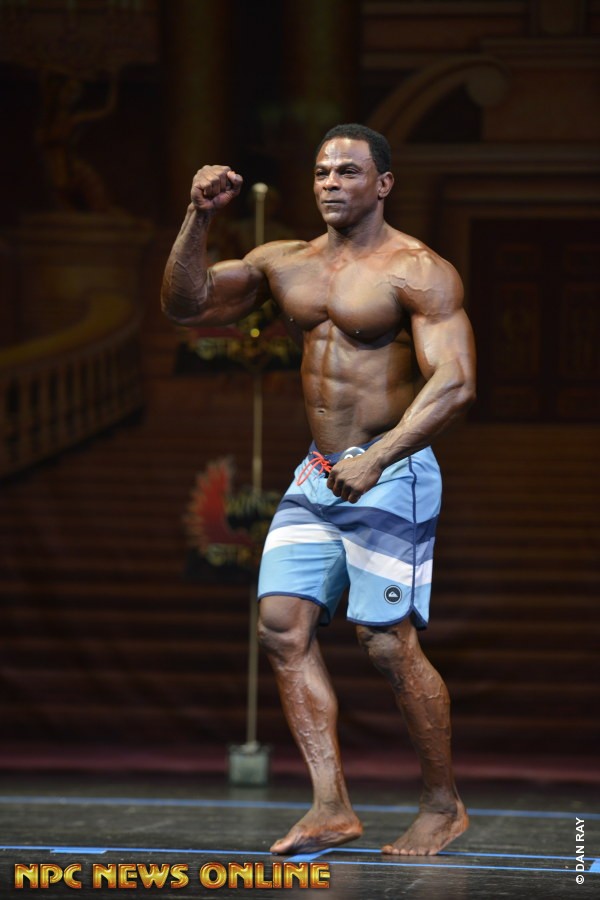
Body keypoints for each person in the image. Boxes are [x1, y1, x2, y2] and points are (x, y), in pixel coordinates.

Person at [161, 123, 476, 857]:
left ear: (383, 184)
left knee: (386, 644)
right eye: (322, 172)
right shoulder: (285, 262)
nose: (331, 183)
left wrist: (381, 456)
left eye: (348, 172)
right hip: (319, 469)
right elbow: (187, 304)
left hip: (394, 466)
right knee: (280, 624)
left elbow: (456, 383)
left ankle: (443, 805)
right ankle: (331, 805)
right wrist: (197, 218)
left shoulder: (419, 270)